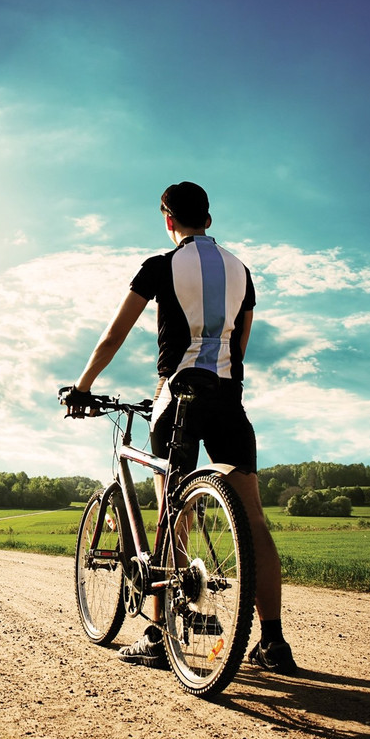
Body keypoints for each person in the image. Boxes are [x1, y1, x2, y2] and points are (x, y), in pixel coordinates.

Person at [65, 181, 297, 675]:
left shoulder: (159, 266)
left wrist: (82, 386)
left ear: (168, 220)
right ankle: (273, 643)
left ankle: (158, 633)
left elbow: (113, 336)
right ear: (208, 219)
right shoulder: (243, 272)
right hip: (228, 399)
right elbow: (241, 347)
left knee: (174, 513)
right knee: (253, 519)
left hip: (177, 400)